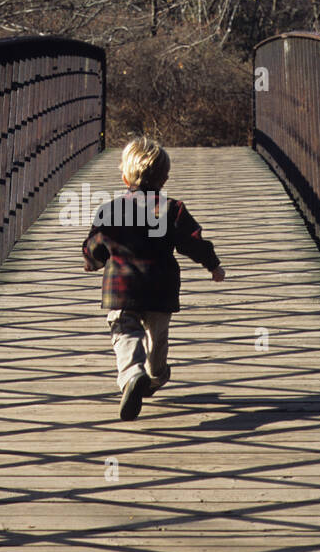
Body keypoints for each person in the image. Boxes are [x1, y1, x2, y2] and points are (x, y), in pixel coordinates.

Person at [81, 137, 225, 420]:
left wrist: (92, 262)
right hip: (160, 289)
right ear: (165, 179)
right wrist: (213, 265)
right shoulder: (173, 209)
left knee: (125, 333)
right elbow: (193, 242)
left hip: (121, 289)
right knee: (156, 340)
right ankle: (155, 375)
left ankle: (133, 375)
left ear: (124, 176)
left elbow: (95, 244)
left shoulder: (111, 210)